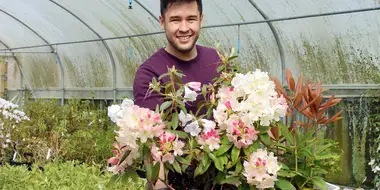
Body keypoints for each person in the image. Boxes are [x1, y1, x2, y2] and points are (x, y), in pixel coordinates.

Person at [132, 0, 222, 189]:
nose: (184, 28)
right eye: (175, 20)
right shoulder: (150, 73)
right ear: (162, 21)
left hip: (220, 177)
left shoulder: (216, 60)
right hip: (176, 181)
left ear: (201, 20)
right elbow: (152, 141)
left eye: (191, 19)